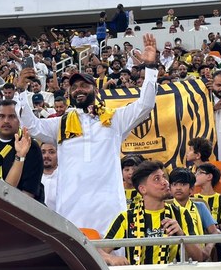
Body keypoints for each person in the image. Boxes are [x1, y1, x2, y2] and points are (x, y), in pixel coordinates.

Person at [21, 34, 158, 236]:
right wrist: (21, 89)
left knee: (114, 261)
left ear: (95, 89)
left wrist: (151, 68)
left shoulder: (114, 120)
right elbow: (30, 125)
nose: (79, 90)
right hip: (71, 208)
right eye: (74, 87)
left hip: (109, 207)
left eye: (84, 85)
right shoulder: (60, 124)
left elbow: (145, 105)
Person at [102, 161, 202, 266]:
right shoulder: (126, 218)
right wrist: (110, 258)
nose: (165, 182)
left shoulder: (182, 214)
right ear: (143, 189)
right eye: (157, 179)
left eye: (164, 177)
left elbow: (199, 257)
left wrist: (182, 235)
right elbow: (98, 250)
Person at [169, 168, 218, 261]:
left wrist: (207, 250)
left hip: (198, 257)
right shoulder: (166, 208)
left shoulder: (199, 206)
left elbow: (215, 232)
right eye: (174, 184)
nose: (178, 188)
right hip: (173, 259)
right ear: (170, 189)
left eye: (183, 184)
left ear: (191, 189)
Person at [41, 143, 58, 209]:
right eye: (43, 152)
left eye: (51, 152)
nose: (46, 156)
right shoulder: (33, 177)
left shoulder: (65, 178)